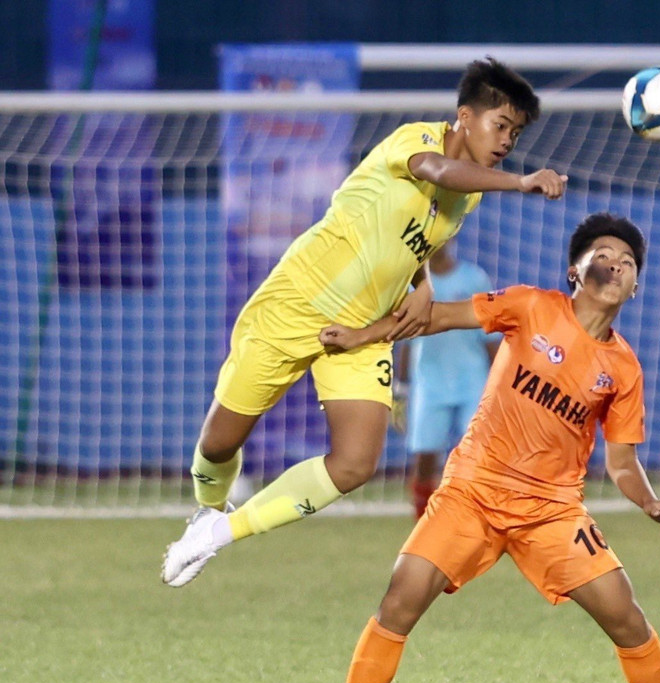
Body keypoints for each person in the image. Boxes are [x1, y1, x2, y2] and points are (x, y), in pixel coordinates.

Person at [302, 213, 660, 683]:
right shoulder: (531, 306)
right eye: (603, 255)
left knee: (626, 616)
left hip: (551, 510)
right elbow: (438, 316)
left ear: (635, 287)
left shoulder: (623, 368)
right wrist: (362, 335)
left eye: (628, 263)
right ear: (574, 270)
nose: (616, 265)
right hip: (472, 490)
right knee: (399, 600)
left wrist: (647, 499)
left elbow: (622, 461)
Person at [161, 58, 567, 587]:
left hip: (364, 330)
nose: (508, 140)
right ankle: (207, 510)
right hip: (299, 300)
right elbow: (437, 170)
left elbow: (415, 240)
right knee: (219, 444)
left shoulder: (468, 196)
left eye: (516, 133)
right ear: (465, 117)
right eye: (501, 125)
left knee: (354, 464)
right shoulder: (418, 139)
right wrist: (521, 182)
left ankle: (220, 533)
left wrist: (423, 285)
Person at [393, 242, 500, 520]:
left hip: (473, 380)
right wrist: (401, 390)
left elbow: (490, 335)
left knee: (477, 453)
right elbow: (406, 342)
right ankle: (423, 520)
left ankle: (477, 517)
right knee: (425, 455)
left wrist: (501, 383)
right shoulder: (413, 286)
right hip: (429, 383)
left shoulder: (474, 278)